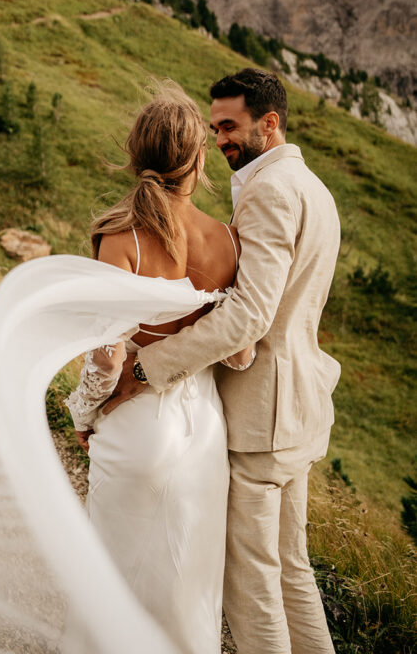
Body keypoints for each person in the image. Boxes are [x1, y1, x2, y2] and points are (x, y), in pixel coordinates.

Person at [105, 68, 341, 654]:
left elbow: (249, 316)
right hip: (301, 411)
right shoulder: (313, 186)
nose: (221, 139)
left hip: (265, 417)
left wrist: (144, 371)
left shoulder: (270, 191)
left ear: (270, 122)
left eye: (230, 126)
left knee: (252, 587)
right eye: (214, 129)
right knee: (291, 571)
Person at [65, 81, 255, 654]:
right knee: (187, 589)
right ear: (197, 159)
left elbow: (108, 354)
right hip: (202, 436)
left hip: (137, 430)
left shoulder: (121, 236)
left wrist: (83, 410)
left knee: (113, 581)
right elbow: (240, 351)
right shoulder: (228, 241)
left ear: (137, 155)